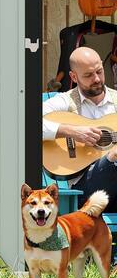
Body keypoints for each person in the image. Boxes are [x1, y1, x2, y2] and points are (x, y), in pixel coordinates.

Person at [43, 46, 117, 211]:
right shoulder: (64, 101)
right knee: (113, 156)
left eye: (99, 71)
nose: (96, 79)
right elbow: (27, 124)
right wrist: (71, 131)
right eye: (88, 75)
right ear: (74, 77)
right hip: (85, 190)